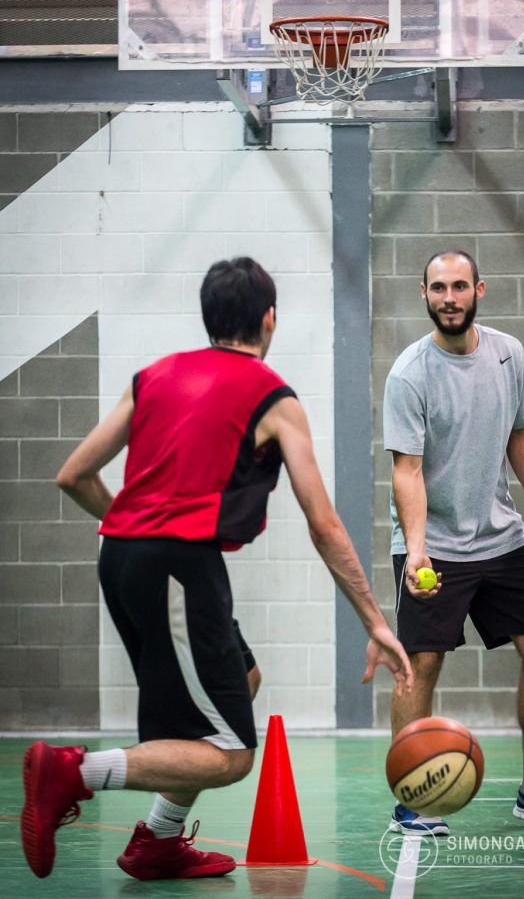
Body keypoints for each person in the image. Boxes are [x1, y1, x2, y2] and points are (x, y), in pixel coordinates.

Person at [20, 256, 413, 881]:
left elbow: (73, 474)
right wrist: (376, 621)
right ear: (269, 319)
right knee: (232, 753)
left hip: (121, 556)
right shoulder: (275, 398)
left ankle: (158, 839)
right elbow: (324, 523)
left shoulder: (153, 375)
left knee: (244, 677)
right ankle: (73, 772)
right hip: (177, 564)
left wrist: (131, 525)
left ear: (208, 318)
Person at [383, 250, 524, 835]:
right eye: (437, 288)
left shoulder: (508, 353)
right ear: (422, 294)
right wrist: (419, 548)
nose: (448, 297)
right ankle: (412, 795)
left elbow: (522, 429)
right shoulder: (409, 373)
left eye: (458, 286)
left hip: (499, 536)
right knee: (420, 664)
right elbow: (407, 470)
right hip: (435, 545)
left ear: (480, 289)